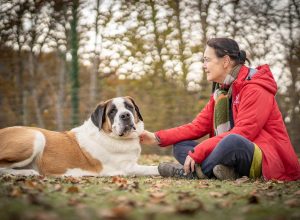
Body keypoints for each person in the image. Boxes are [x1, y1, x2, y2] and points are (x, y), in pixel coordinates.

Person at [140, 37, 300, 181]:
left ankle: (190, 173)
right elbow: (197, 126)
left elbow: (244, 132)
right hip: (231, 153)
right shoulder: (221, 92)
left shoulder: (255, 88)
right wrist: (157, 137)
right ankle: (224, 171)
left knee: (232, 141)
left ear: (225, 61)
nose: (204, 65)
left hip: (264, 157)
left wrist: (201, 151)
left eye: (207, 60)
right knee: (181, 145)